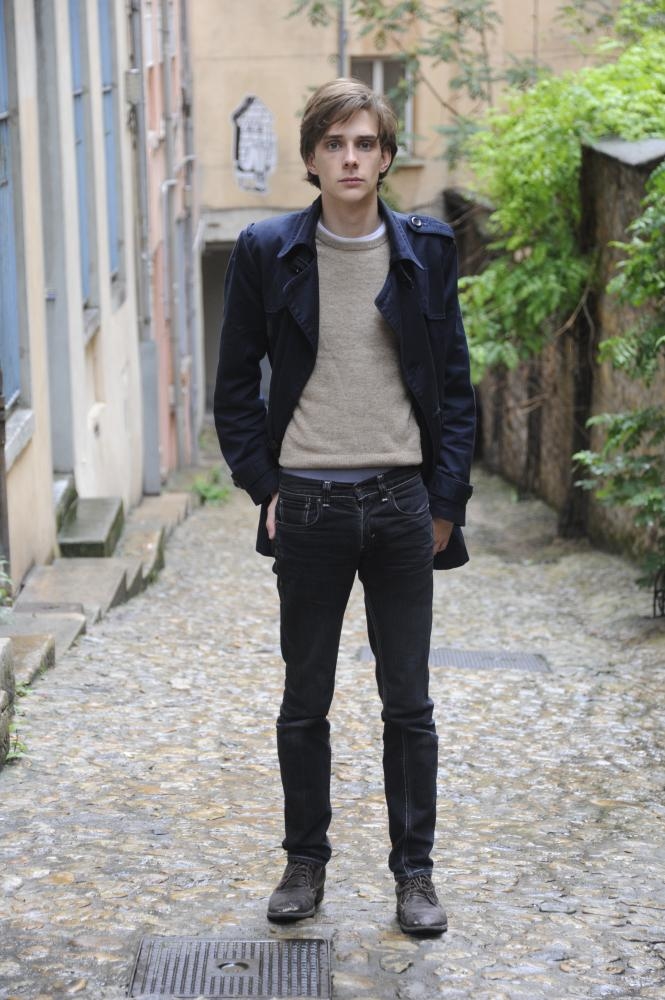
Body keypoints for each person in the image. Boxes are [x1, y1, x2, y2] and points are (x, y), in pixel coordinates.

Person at [214, 78, 475, 935]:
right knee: (305, 700)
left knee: (409, 703)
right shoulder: (266, 250)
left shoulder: (426, 249)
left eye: (365, 143)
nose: (350, 158)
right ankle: (304, 863)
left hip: (402, 504)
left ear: (386, 156)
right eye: (334, 144)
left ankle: (415, 876)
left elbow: (454, 387)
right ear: (311, 157)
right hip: (309, 505)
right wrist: (266, 487)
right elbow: (235, 388)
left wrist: (443, 503)